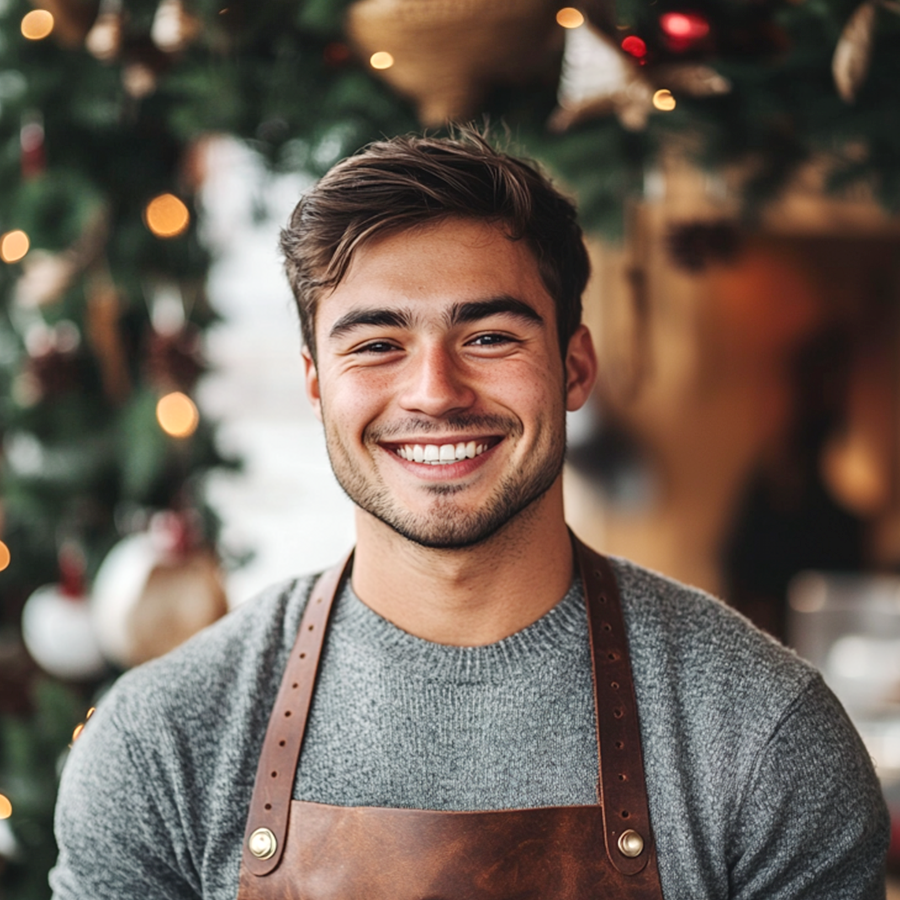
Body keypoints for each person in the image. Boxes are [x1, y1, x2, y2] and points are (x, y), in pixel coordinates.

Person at [51, 132, 889, 899]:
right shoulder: (160, 743)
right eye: (377, 344)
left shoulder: (766, 737)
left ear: (575, 366)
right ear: (316, 385)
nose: (435, 393)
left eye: (489, 336)